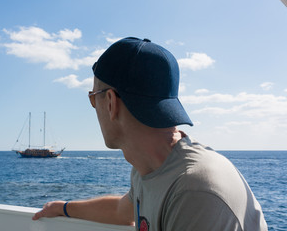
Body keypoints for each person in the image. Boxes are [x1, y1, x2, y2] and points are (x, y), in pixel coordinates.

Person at [32, 37, 268, 231]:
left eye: (93, 98)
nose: (94, 108)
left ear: (111, 102)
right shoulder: (150, 166)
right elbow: (122, 211)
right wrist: (62, 208)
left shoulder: (193, 191)